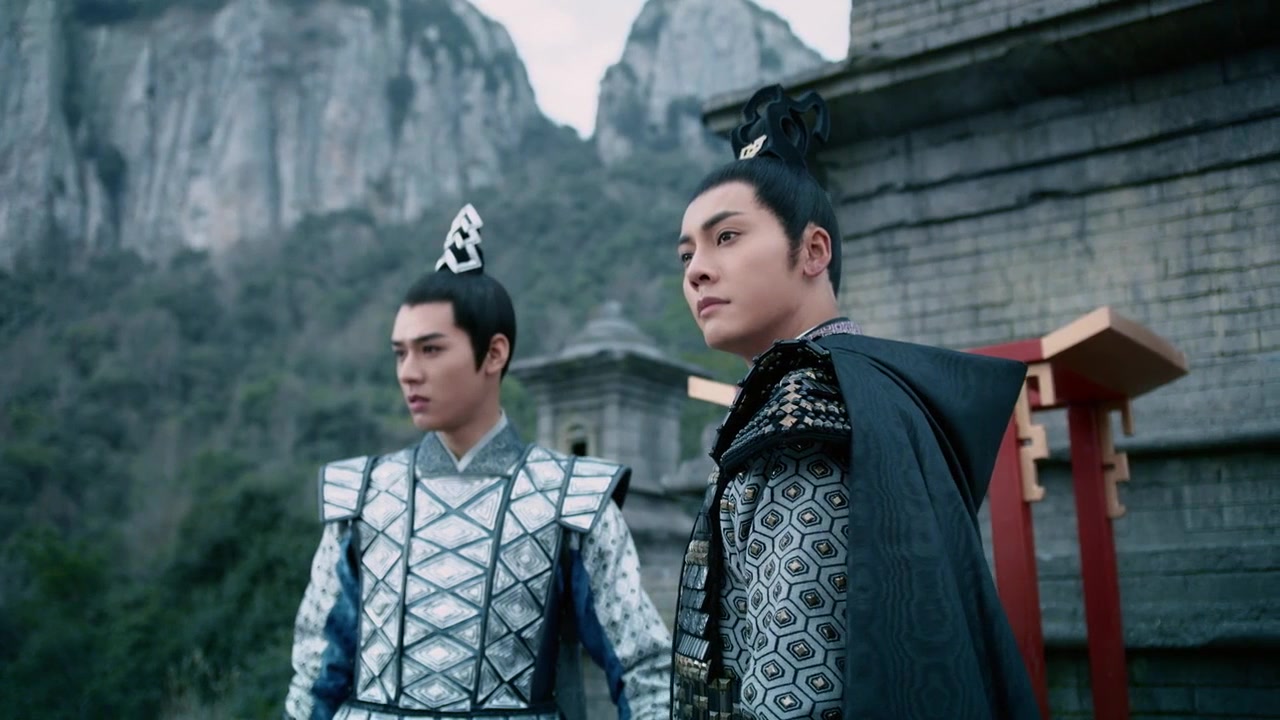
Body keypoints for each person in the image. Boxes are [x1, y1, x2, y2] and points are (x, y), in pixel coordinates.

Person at [670, 85, 1041, 719]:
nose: (696, 270)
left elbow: (795, 691)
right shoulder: (870, 392)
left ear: (814, 251)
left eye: (726, 237)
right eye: (686, 254)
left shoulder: (805, 414)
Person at [285, 204, 671, 720]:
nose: (409, 372)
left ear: (494, 354)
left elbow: (645, 669)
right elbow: (316, 671)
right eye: (400, 353)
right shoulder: (363, 496)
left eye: (430, 350)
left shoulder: (571, 501)